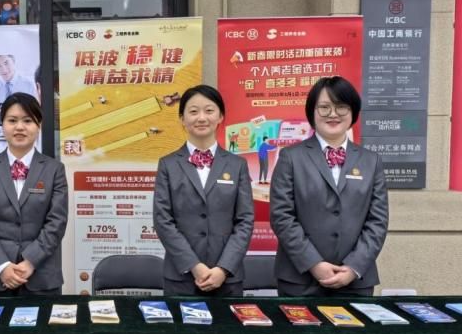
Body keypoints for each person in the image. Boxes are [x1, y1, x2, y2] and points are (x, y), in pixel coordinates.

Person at [270, 76, 389, 297]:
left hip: (355, 281)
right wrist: (313, 263)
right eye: (324, 107)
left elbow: (377, 221)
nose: (333, 114)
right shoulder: (291, 157)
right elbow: (282, 216)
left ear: (353, 112)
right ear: (312, 112)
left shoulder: (371, 161)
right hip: (300, 279)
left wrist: (353, 267)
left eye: (341, 107)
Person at [153, 85, 254, 296]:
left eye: (209, 111)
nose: (201, 118)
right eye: (193, 111)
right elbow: (163, 220)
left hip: (227, 279)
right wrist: (194, 266)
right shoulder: (168, 165)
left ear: (220, 117)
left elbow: (244, 221)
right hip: (181, 277)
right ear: (182, 119)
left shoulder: (237, 165)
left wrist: (223, 268)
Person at [0, 92, 68, 295]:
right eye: (12, 120)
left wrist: (30, 261)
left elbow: (56, 222)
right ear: (3, 125)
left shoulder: (54, 169)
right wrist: (2, 266)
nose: (20, 127)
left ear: (38, 125)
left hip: (41, 276)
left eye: (28, 121)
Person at [0, 54, 37, 126]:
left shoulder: (29, 84)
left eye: (6, 63)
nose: (3, 69)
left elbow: (38, 112)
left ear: (13, 61)